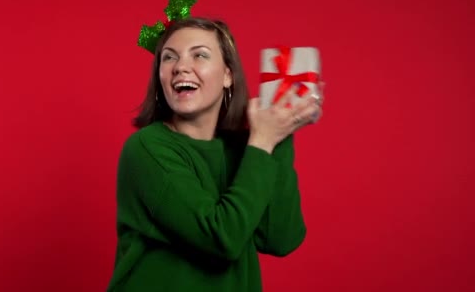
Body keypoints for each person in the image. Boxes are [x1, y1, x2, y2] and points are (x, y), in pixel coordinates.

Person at [107, 17, 324, 291]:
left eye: (200, 55)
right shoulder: (146, 148)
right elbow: (220, 238)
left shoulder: (246, 151)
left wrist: (280, 131)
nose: (181, 67)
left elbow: (281, 239)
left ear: (227, 75)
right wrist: (263, 139)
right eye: (169, 58)